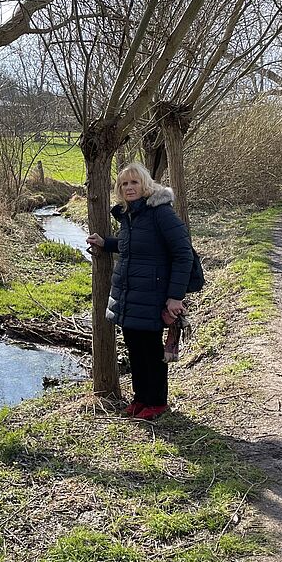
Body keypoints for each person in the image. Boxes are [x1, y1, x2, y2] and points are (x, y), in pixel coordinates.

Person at [86, 162, 193, 420]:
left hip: (153, 294)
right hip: (130, 293)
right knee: (134, 347)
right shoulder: (130, 214)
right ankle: (140, 398)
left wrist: (175, 296)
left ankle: (157, 402)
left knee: (151, 351)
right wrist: (105, 243)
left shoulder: (160, 213)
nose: (129, 187)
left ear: (145, 184)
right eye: (124, 184)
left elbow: (183, 254)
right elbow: (133, 247)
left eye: (134, 182)